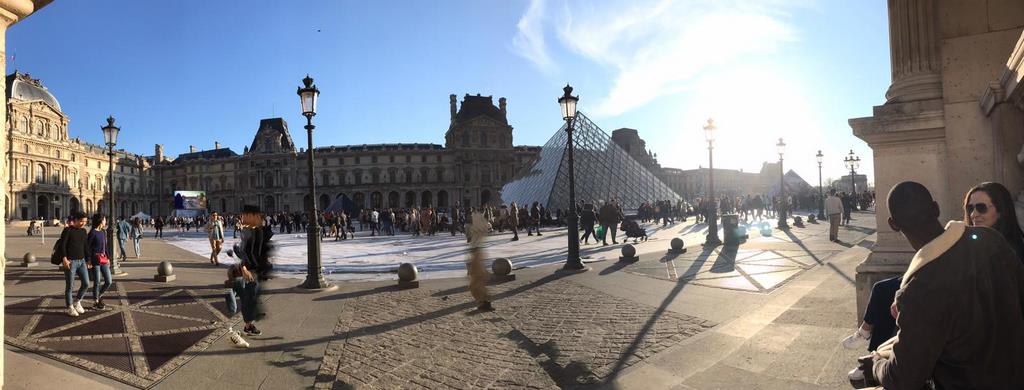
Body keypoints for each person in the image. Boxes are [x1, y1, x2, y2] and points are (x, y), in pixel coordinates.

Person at [857, 181, 1024, 389]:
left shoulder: (919, 290)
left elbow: (902, 380)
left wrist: (875, 363)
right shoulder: (990, 239)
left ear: (893, 224)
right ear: (936, 208)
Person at [964, 182, 1024, 263]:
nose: (973, 214)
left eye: (981, 207)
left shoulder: (1011, 251)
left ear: (1000, 211)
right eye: (970, 208)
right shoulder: (969, 246)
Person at [59, 211, 91, 317]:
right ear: (75, 220)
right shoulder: (68, 230)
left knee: (86, 283)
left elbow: (85, 246)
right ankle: (70, 307)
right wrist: (64, 258)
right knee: (70, 286)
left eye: (85, 221)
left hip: (81, 261)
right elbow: (62, 246)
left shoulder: (83, 231)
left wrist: (89, 259)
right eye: (81, 221)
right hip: (71, 262)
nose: (83, 223)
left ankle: (77, 301)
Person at [466, 211, 493, 311]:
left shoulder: (477, 229)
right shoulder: (477, 229)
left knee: (476, 283)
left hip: (476, 252)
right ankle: (484, 302)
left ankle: (484, 302)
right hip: (476, 252)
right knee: (477, 282)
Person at [88, 214, 112, 310]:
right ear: (100, 221)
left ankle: (99, 295)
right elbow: (88, 247)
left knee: (109, 281)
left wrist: (108, 257)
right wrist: (89, 260)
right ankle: (95, 301)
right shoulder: (92, 233)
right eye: (104, 220)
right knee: (97, 281)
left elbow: (105, 246)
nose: (106, 221)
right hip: (95, 259)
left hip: (104, 258)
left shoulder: (103, 232)